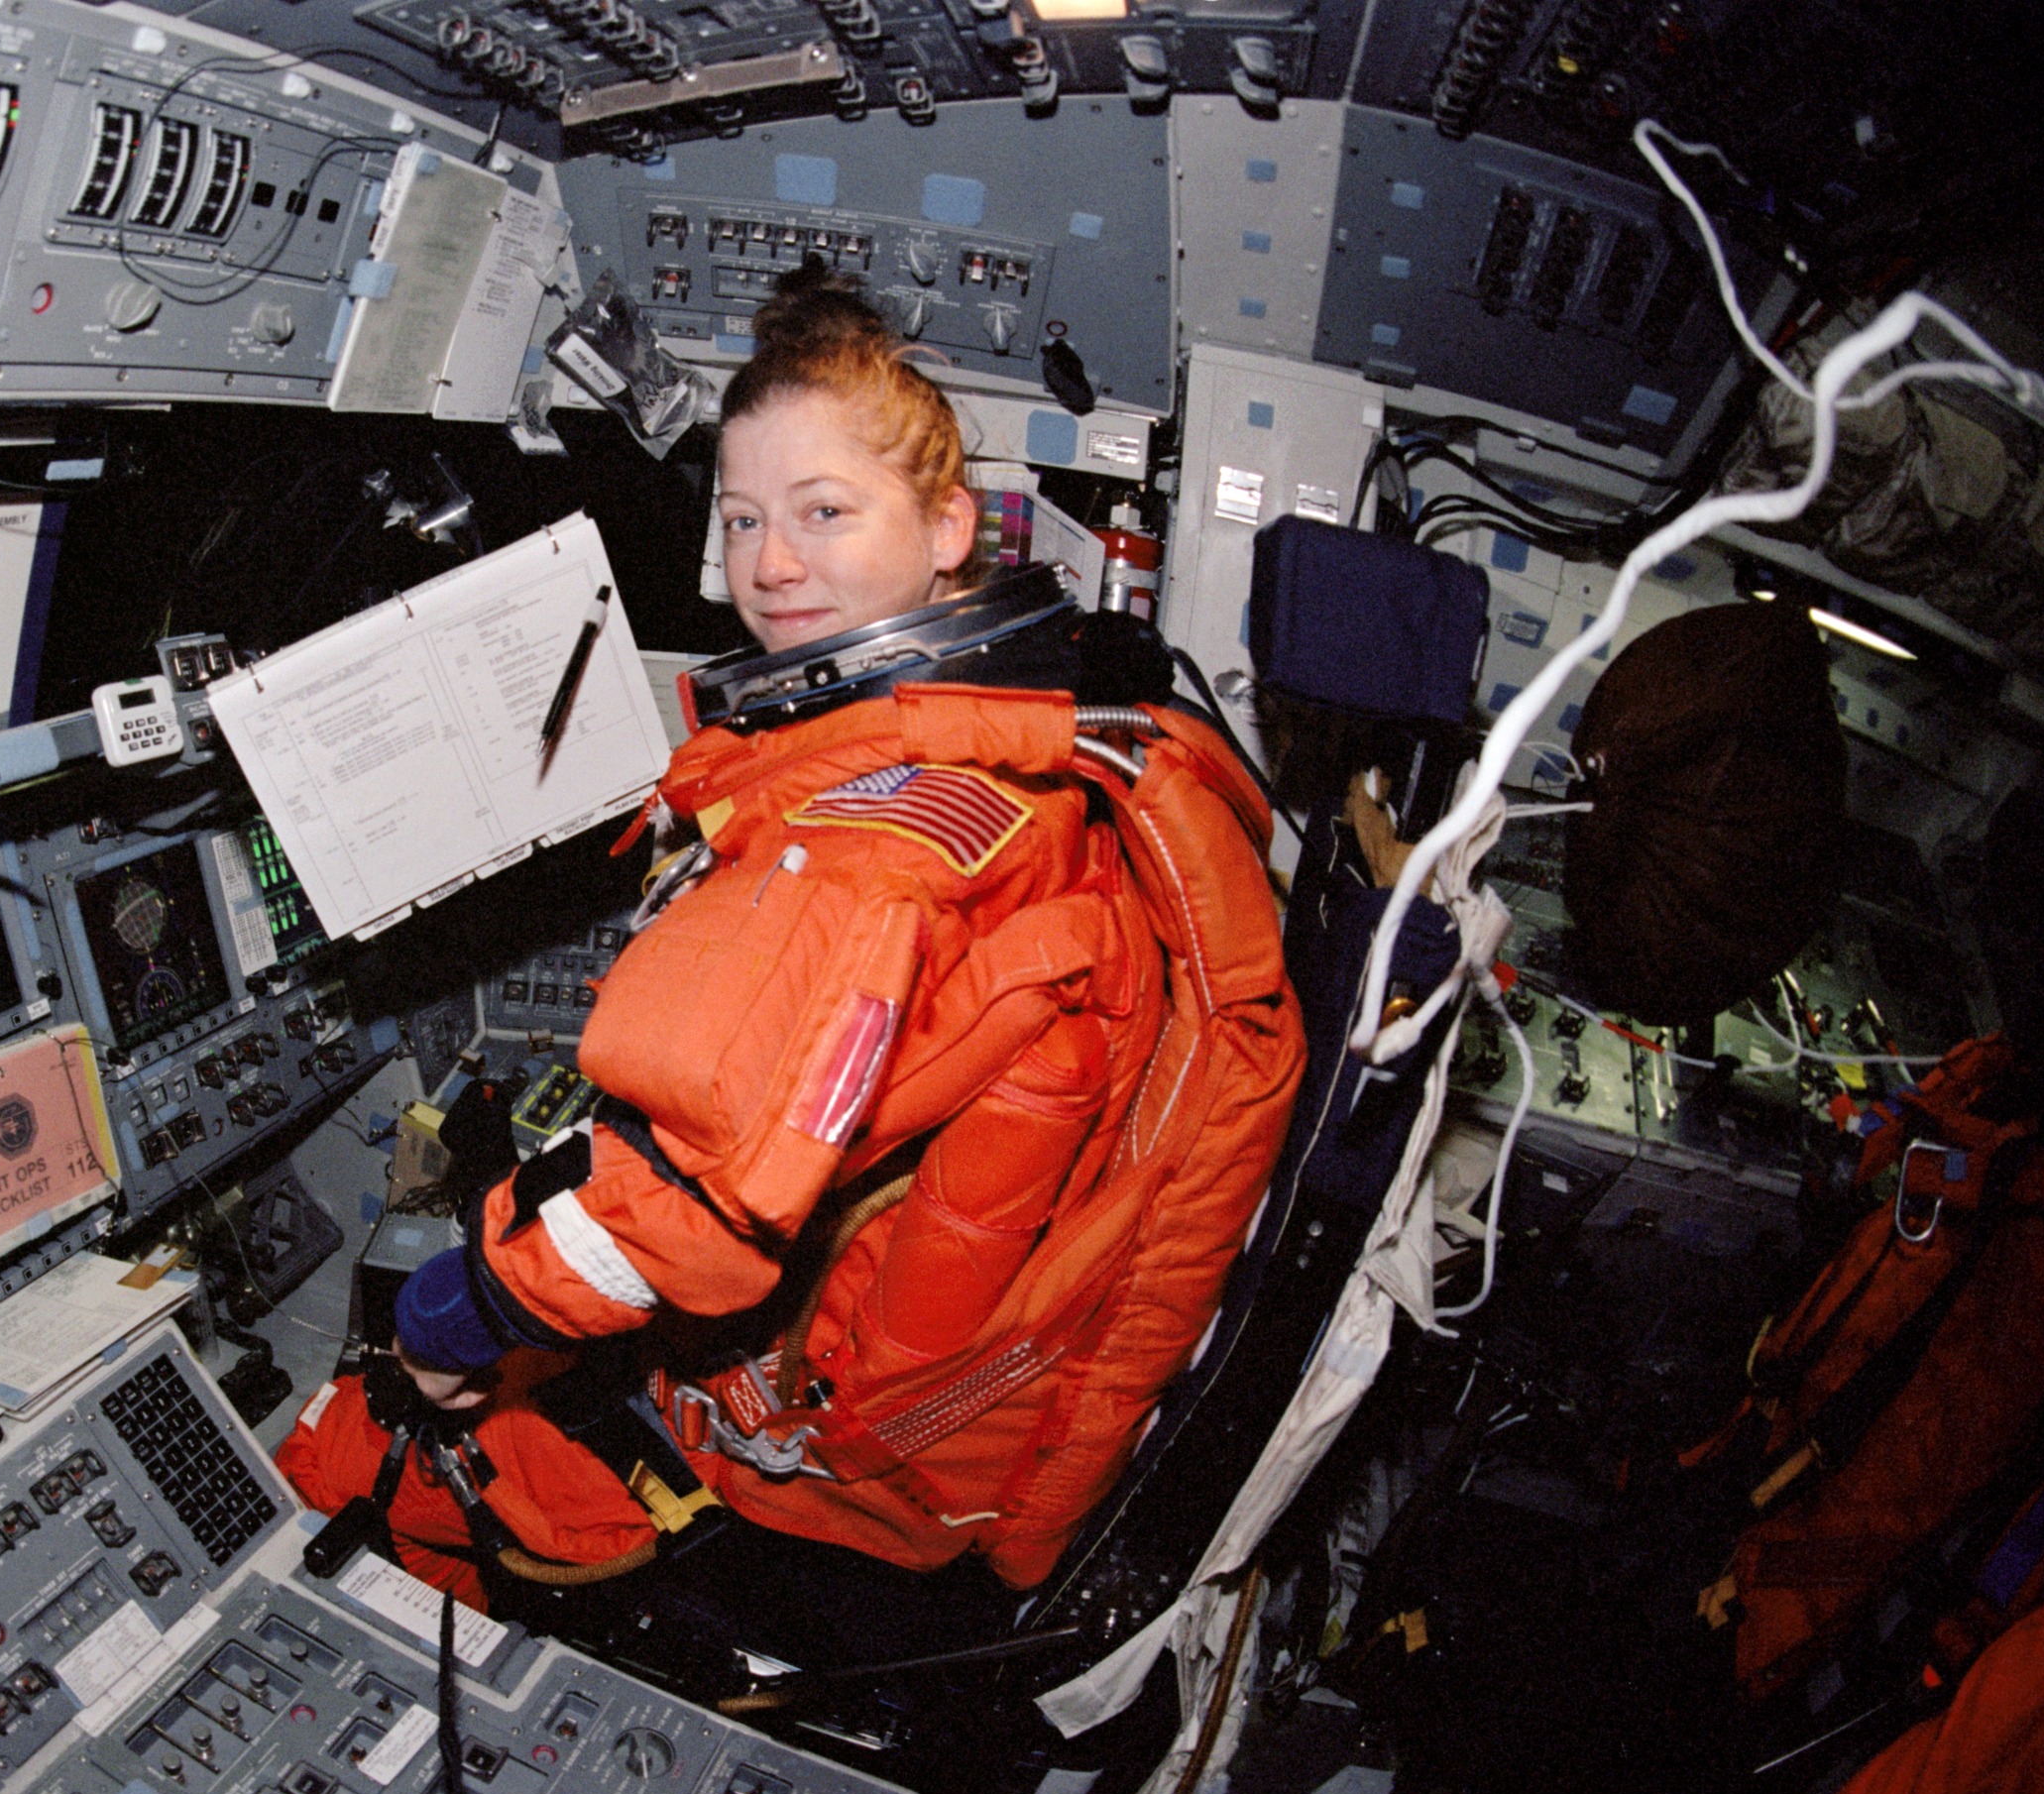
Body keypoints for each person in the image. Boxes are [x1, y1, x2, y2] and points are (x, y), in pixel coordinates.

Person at [277, 267, 1301, 1647]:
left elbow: (681, 1196)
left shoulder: (889, 842)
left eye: (825, 514)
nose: (767, 566)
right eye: (744, 517)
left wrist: (453, 1319)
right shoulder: (1029, 751)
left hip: (834, 1472)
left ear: (949, 529)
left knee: (361, 1445)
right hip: (963, 1416)